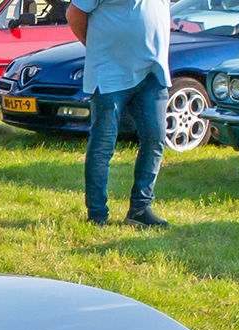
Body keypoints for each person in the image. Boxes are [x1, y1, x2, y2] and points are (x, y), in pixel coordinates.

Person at [68, 0, 171, 227]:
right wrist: (97, 46)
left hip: (152, 73)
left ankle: (140, 209)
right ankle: (97, 214)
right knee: (103, 145)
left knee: (155, 139)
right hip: (109, 73)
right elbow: (74, 15)